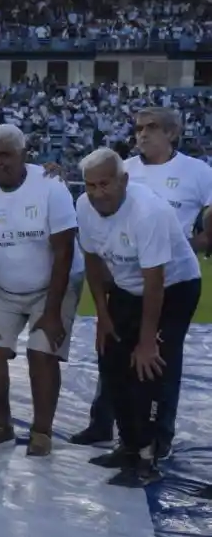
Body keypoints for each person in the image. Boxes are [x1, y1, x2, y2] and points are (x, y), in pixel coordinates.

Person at [70, 107, 212, 458]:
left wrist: (148, 340)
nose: (143, 134)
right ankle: (122, 439)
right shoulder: (103, 184)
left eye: (152, 128)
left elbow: (156, 280)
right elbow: (92, 256)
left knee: (152, 364)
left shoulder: (180, 185)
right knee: (113, 357)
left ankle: (152, 444)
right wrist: (103, 313)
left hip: (172, 281)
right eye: (138, 128)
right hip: (127, 276)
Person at [0, 124, 83, 456]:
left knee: (42, 352)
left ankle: (41, 431)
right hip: (3, 288)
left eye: (4, 154)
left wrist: (54, 312)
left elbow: (64, 252)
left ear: (23, 154)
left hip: (52, 287)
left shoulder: (50, 186)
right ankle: (1, 425)